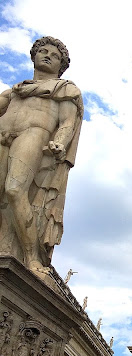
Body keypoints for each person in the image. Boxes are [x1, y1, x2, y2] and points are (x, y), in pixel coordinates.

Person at [0, 36, 83, 273]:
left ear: (61, 65)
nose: (47, 55)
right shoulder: (15, 91)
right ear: (33, 56)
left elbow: (67, 122)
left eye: (54, 55)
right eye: (43, 51)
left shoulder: (65, 89)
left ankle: (31, 258)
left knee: (15, 191)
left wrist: (59, 142)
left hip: (34, 134)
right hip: (3, 134)